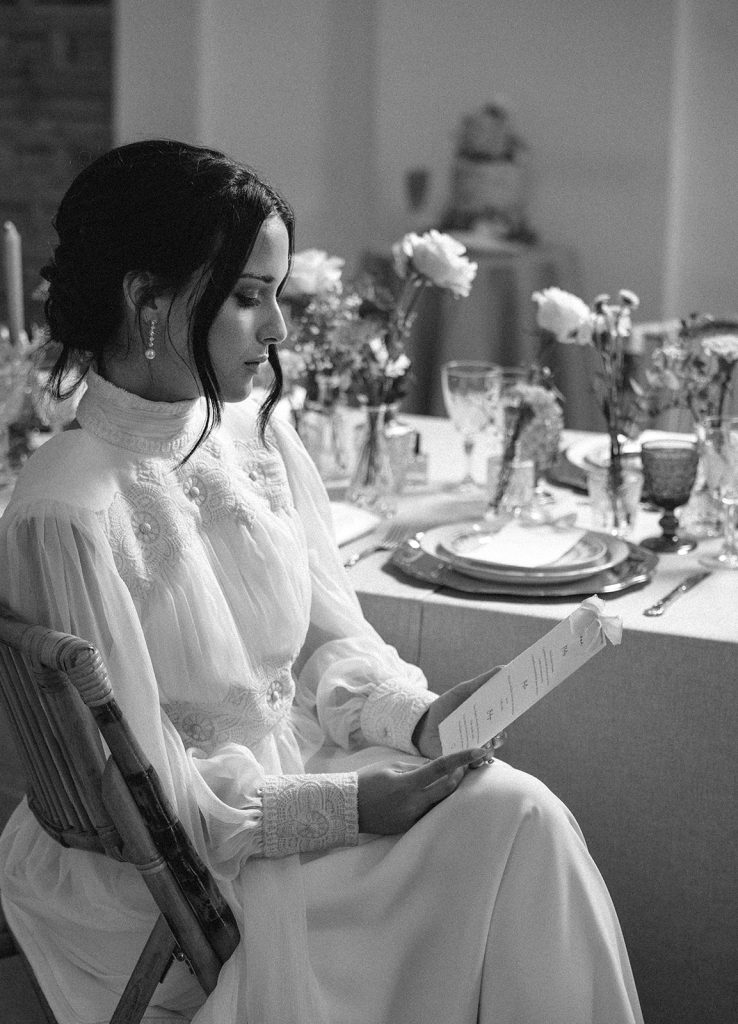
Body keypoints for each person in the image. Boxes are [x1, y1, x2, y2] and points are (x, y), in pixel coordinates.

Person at [0, 139, 644, 1024]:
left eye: (277, 294)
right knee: (507, 827)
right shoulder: (66, 509)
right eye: (247, 297)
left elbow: (325, 639)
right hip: (183, 873)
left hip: (297, 769)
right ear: (147, 299)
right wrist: (349, 807)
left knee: (518, 807)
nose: (278, 330)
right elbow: (151, 802)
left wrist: (415, 719)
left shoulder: (254, 436)